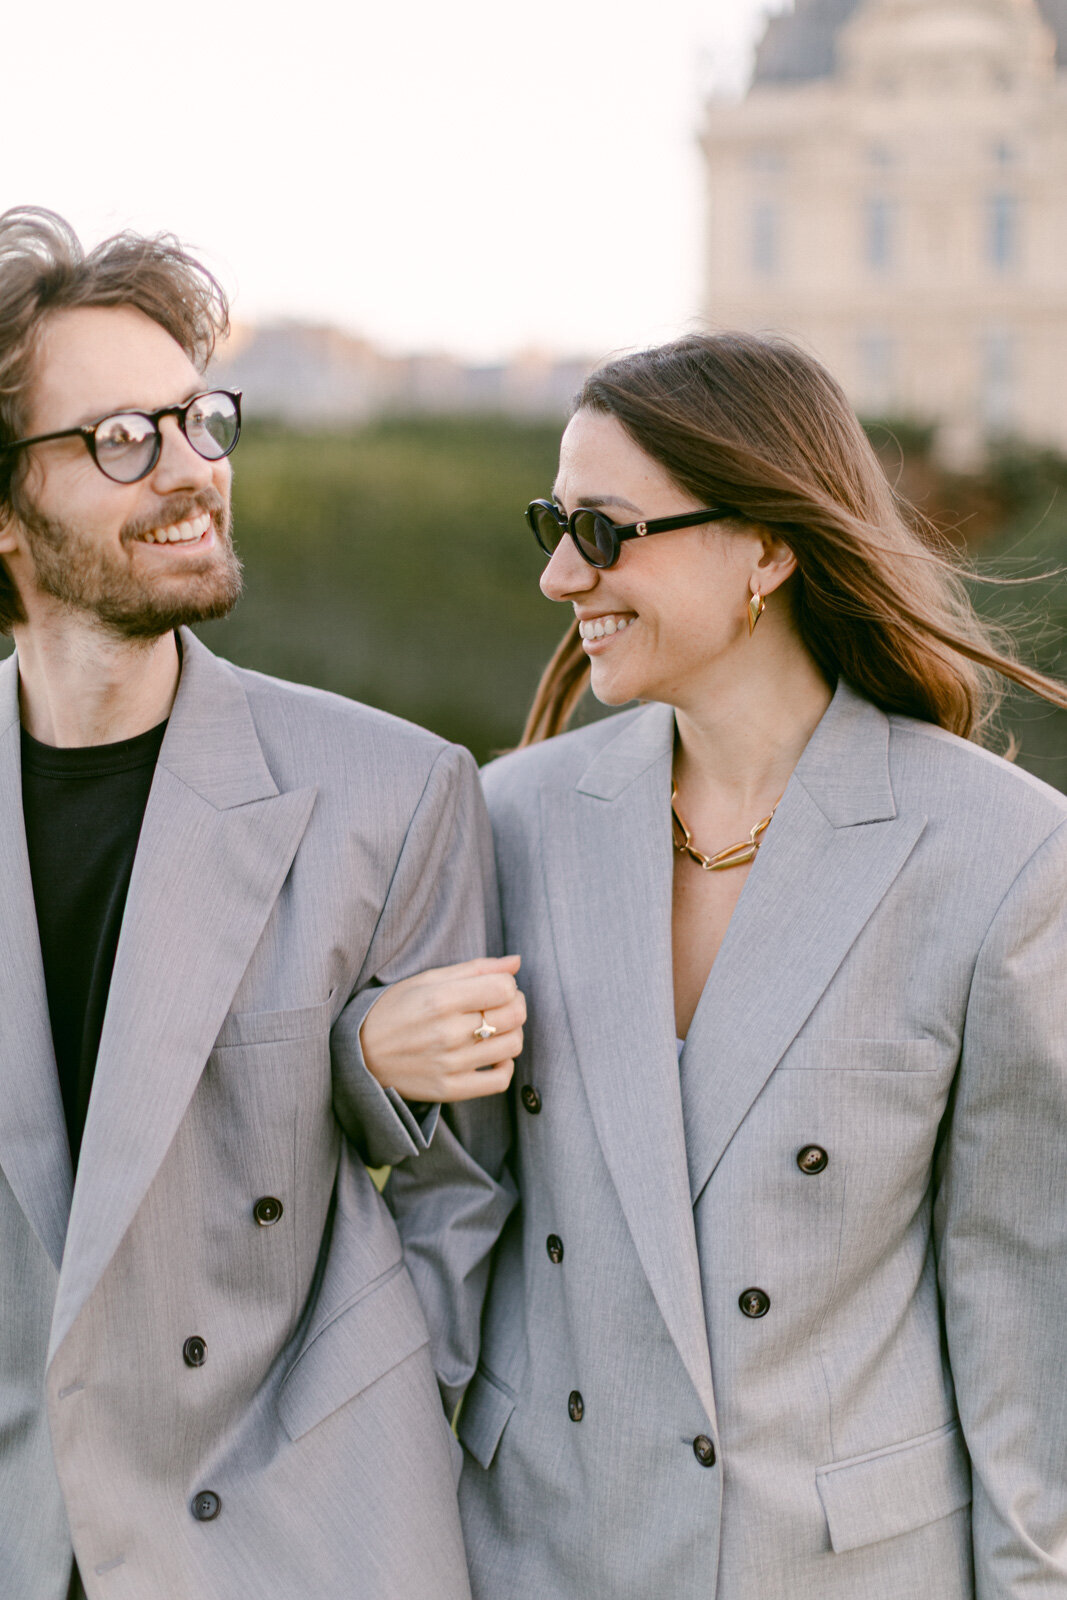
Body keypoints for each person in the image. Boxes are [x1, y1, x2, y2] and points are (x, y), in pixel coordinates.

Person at [368, 333, 1067, 1598]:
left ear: (766, 547)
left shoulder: (998, 853)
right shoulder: (509, 819)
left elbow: (1022, 1314)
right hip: (537, 1553)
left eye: (601, 529)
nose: (559, 574)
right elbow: (441, 1205)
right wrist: (358, 1055)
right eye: (552, 524)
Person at [0, 206, 523, 1600]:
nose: (190, 471)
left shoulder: (392, 793)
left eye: (198, 421)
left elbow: (463, 1199)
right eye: (123, 439)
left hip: (286, 1545)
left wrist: (364, 1462)